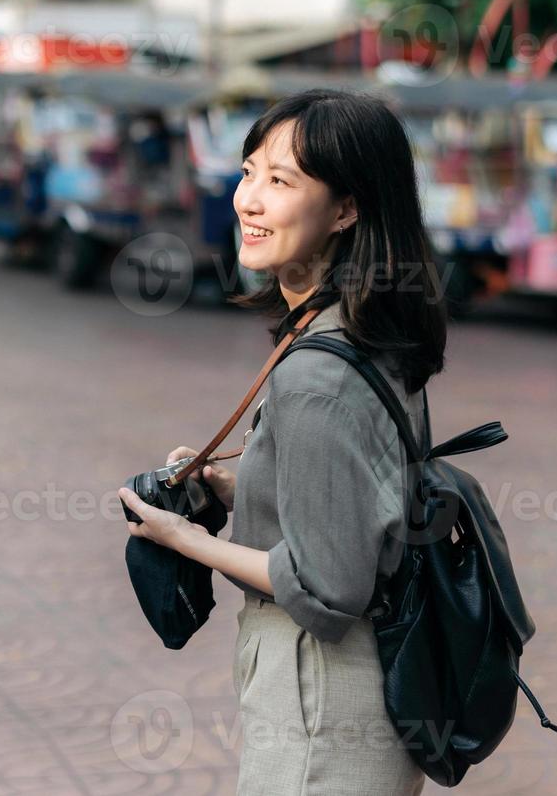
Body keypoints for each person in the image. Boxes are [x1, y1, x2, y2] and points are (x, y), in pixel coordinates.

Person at [120, 89, 447, 795]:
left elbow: (328, 588)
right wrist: (241, 486)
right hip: (350, 691)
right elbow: (364, 495)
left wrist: (180, 537)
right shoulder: (363, 335)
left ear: (347, 210)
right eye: (247, 172)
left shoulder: (317, 376)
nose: (249, 200)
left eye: (282, 181)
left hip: (319, 696)